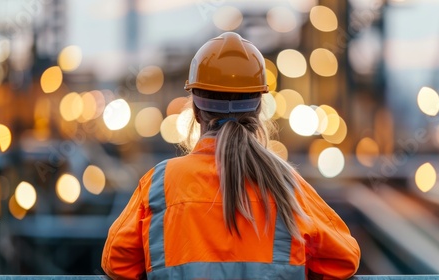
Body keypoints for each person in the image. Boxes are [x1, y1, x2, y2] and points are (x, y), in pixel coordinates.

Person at [102, 32, 360, 280]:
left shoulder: (160, 184)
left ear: (195, 110)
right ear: (259, 108)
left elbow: (117, 262)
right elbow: (344, 261)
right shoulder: (286, 185)